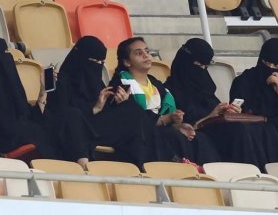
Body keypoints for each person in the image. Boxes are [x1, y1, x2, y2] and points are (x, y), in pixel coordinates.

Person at [47, 36, 160, 168]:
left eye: (101, 62)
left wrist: (118, 102)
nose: (97, 66)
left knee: (132, 110)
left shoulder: (96, 82)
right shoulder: (62, 82)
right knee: (72, 115)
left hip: (97, 129)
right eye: (94, 61)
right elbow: (60, 114)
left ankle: (142, 166)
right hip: (76, 130)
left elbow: (107, 113)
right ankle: (83, 166)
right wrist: (94, 108)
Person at [165, 38, 278, 169]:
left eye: (205, 67)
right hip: (211, 133)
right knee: (244, 130)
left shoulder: (206, 89)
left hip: (246, 130)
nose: (270, 69)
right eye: (198, 65)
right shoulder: (169, 92)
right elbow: (188, 125)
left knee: (264, 131)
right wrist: (214, 115)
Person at [110, 37, 219, 166]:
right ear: (127, 62)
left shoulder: (157, 85)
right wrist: (166, 120)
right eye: (139, 53)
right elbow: (132, 117)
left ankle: (208, 176)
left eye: (147, 51)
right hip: (140, 135)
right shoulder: (121, 85)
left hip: (163, 129)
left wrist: (177, 123)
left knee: (200, 139)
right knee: (171, 136)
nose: (146, 55)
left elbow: (167, 113)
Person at [0, 36, 60, 159]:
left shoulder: (11, 86)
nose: (7, 58)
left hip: (25, 133)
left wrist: (43, 90)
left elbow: (29, 116)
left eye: (7, 53)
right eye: (3, 54)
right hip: (3, 142)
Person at [229, 38, 278, 166]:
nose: (270, 68)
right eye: (266, 62)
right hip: (253, 129)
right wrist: (236, 110)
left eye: (276, 66)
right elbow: (238, 109)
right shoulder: (245, 81)